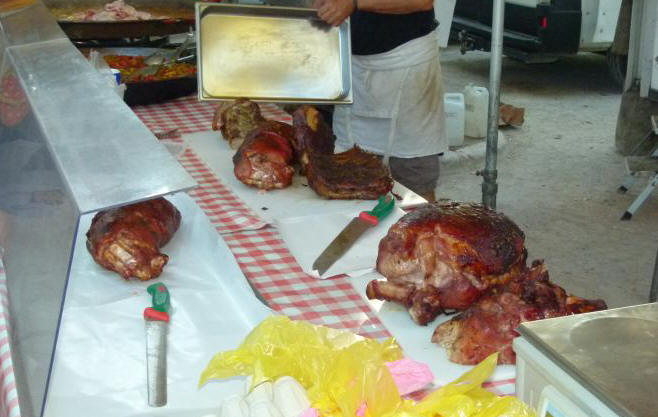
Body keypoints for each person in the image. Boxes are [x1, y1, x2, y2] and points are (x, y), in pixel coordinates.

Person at [314, 0, 447, 202]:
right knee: (348, 174)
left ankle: (421, 222)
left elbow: (422, 2)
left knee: (413, 176)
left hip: (406, 65)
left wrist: (354, 3)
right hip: (354, 67)